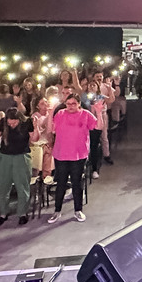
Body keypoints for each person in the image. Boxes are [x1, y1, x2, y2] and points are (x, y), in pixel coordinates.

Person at [48, 93, 95, 223]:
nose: (70, 106)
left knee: (76, 182)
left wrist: (99, 112)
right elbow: (51, 129)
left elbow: (97, 127)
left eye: (74, 103)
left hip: (78, 154)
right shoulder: (60, 114)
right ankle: (57, 211)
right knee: (61, 183)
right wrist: (51, 112)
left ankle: (78, 210)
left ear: (79, 104)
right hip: (61, 154)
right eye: (68, 104)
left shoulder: (85, 114)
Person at [0, 108, 33, 226]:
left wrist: (37, 127)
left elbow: (34, 138)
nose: (12, 125)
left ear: (19, 119)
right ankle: (3, 212)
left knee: (22, 185)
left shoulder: (27, 122)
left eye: (14, 123)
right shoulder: (3, 122)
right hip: (5, 157)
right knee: (3, 185)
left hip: (21, 157)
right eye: (10, 123)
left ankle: (22, 213)